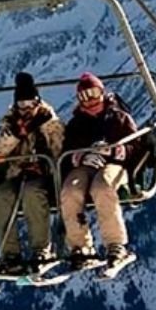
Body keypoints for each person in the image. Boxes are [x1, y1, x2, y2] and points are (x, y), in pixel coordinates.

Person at [60, 72, 138, 270]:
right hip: (85, 165)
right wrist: (81, 156)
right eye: (84, 96)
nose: (91, 100)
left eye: (94, 93)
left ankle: (116, 244)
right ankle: (80, 246)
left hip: (113, 164)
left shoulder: (118, 117)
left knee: (102, 187)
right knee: (70, 191)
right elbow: (67, 151)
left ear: (102, 93)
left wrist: (115, 151)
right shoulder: (76, 124)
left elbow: (136, 145)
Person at [0, 72, 64, 274]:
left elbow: (59, 151)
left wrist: (46, 132)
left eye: (30, 103)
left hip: (43, 173)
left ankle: (42, 249)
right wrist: (13, 136)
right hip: (17, 172)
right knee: (1, 197)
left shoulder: (49, 120)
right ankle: (10, 254)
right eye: (21, 105)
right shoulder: (9, 123)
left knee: (32, 194)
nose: (26, 109)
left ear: (38, 101)